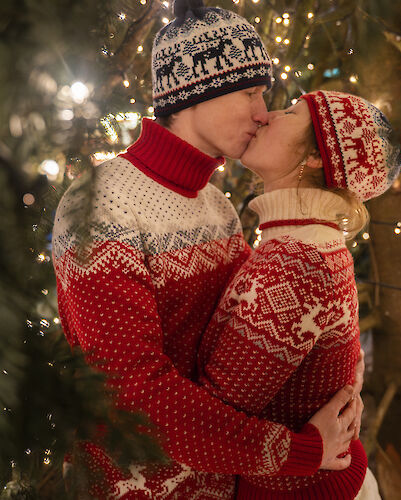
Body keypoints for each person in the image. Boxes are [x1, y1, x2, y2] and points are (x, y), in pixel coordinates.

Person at [52, 1, 364, 498]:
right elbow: (131, 394)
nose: (263, 114)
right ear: (194, 94)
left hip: (225, 485)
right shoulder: (101, 203)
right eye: (249, 92)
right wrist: (300, 451)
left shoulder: (216, 205)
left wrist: (341, 383)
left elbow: (252, 341)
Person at [197, 90, 401, 499]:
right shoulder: (306, 243)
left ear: (316, 156)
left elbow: (215, 420)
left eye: (290, 112)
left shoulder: (298, 262)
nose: (266, 115)